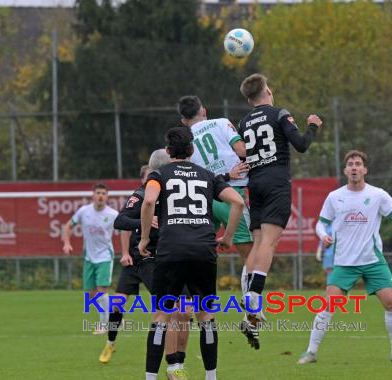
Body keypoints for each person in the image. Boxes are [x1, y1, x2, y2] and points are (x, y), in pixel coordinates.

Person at [138, 127, 244, 380]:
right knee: (206, 314)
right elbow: (238, 203)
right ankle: (211, 376)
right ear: (192, 150)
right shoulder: (208, 175)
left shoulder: (159, 174)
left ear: (168, 151)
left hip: (171, 249)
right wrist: (227, 238)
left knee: (162, 315)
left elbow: (149, 201)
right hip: (203, 249)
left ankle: (150, 378)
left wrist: (143, 239)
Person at [297, 150, 392, 365]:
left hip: (373, 260)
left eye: (358, 164)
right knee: (329, 305)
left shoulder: (378, 194)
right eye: (351, 164)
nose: (354, 167)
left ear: (365, 169)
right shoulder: (335, 196)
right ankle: (311, 352)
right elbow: (321, 223)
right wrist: (324, 236)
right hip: (344, 263)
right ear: (345, 170)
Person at [238, 73, 322, 328]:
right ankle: (254, 296)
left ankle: (249, 302)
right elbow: (301, 144)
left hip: (255, 183)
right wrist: (313, 126)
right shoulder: (278, 113)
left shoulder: (242, 122)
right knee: (269, 242)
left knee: (257, 243)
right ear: (267, 91)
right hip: (276, 182)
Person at [98, 152, 192, 380]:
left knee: (186, 311)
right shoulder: (141, 195)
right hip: (144, 259)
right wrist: (143, 222)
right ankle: (168, 367)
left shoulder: (178, 192)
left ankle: (178, 363)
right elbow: (121, 222)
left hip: (176, 257)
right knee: (155, 311)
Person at [178, 95, 259, 349]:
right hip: (231, 194)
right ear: (204, 110)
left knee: (198, 253)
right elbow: (242, 151)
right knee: (252, 256)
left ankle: (186, 306)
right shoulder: (222, 122)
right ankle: (251, 315)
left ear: (183, 120)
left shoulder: (186, 140)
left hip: (202, 199)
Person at [62, 183, 118, 334]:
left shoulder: (113, 214)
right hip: (89, 257)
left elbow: (126, 230)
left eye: (103, 193)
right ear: (92, 195)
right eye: (98, 193)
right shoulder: (83, 211)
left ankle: (104, 325)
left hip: (105, 257)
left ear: (107, 197)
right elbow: (68, 226)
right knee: (90, 294)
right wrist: (67, 243)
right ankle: (115, 315)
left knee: (101, 291)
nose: (100, 196)